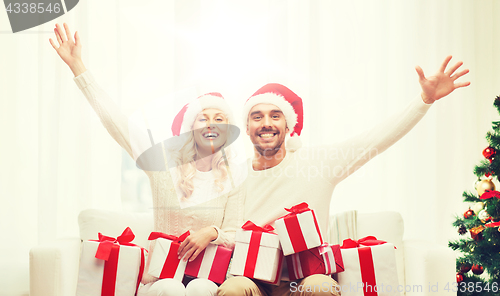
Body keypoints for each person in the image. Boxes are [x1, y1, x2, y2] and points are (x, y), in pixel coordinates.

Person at [217, 56, 470, 296]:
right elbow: (225, 231)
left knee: (321, 287)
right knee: (233, 289)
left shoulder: (316, 163)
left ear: (288, 125)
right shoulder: (235, 176)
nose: (266, 123)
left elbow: (374, 140)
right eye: (257, 117)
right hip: (254, 281)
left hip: (304, 279)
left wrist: (424, 100)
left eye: (275, 115)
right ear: (247, 128)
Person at [49, 23, 245, 296]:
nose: (211, 124)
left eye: (219, 119)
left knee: (201, 289)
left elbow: (236, 233)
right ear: (192, 128)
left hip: (207, 276)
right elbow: (115, 122)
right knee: (170, 288)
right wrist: (78, 68)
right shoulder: (163, 163)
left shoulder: (233, 178)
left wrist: (212, 232)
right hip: (161, 279)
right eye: (203, 117)